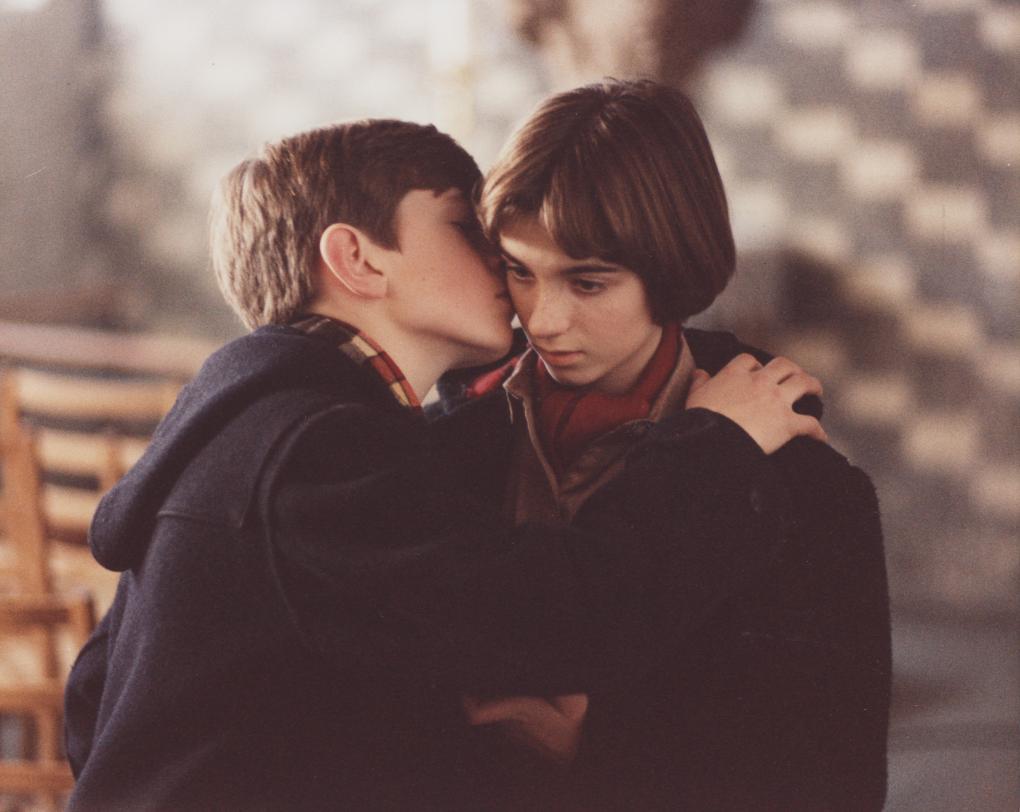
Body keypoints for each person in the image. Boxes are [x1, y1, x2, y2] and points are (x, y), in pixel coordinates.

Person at [64, 118, 825, 811]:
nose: (498, 261)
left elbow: (93, 696)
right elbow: (565, 619)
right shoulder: (320, 446)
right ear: (357, 260)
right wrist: (718, 442)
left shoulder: (256, 419)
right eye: (465, 227)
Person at [449, 79, 891, 810]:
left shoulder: (809, 491)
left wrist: (597, 757)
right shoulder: (455, 431)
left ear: (669, 267)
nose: (542, 320)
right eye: (519, 271)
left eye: (588, 284)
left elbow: (831, 784)